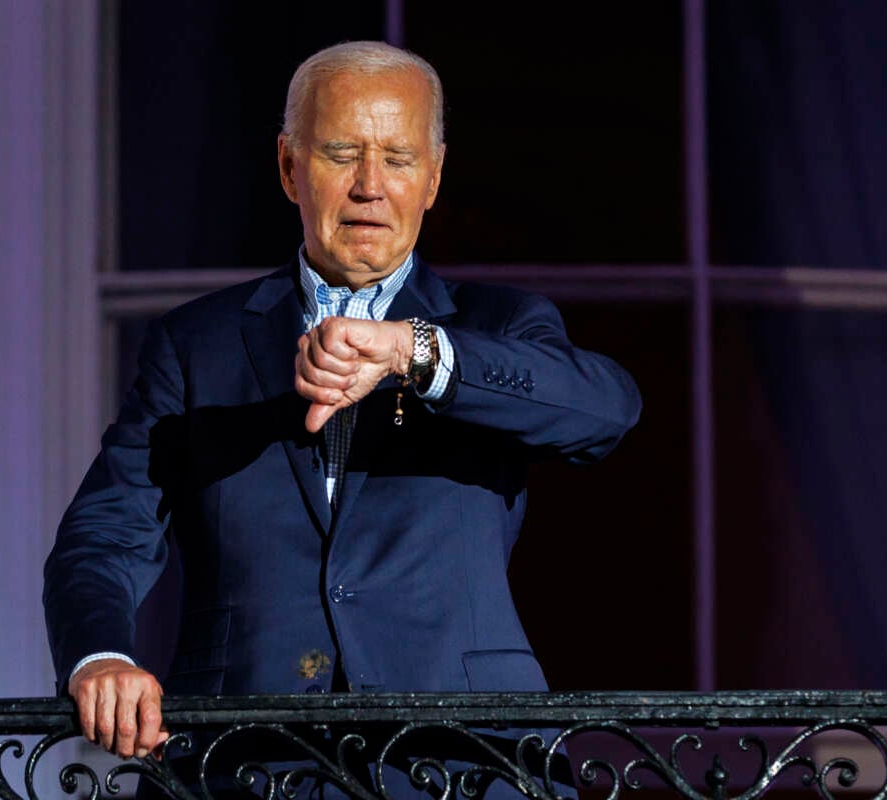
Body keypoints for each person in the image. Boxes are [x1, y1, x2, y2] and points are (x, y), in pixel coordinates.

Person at [41, 37, 641, 788]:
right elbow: (103, 535)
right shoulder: (197, 345)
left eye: (397, 157)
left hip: (465, 761)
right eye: (339, 154)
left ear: (434, 177)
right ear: (289, 168)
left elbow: (606, 409)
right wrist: (101, 658)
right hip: (246, 761)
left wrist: (411, 352)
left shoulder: (496, 325)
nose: (369, 186)